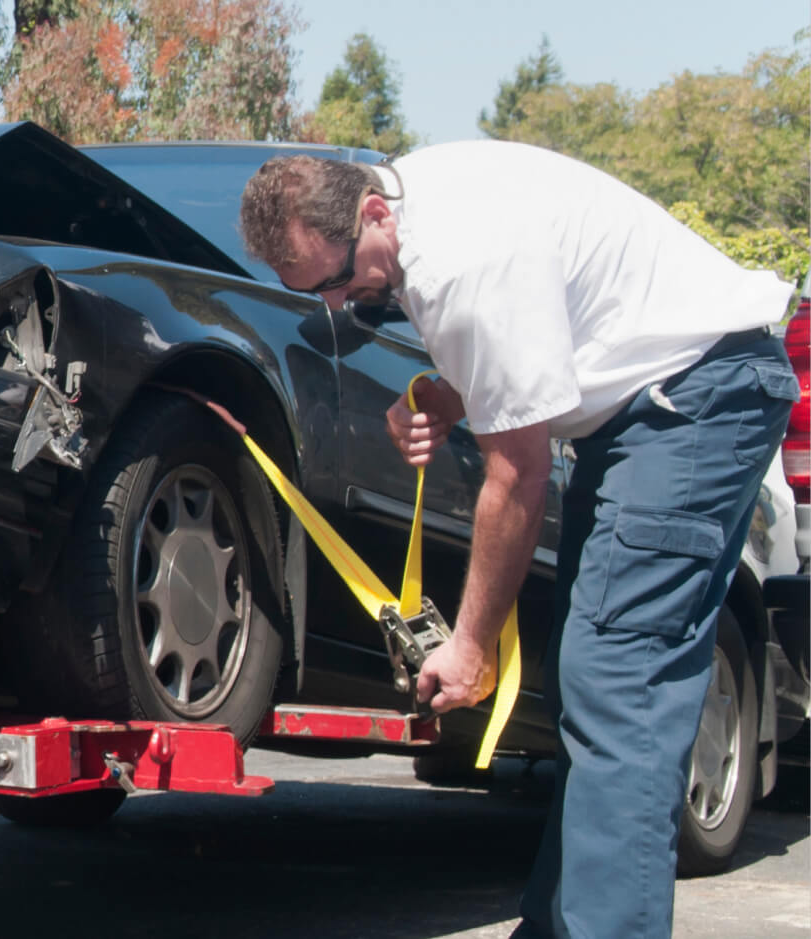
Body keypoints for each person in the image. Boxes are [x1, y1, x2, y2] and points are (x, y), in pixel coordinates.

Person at [237, 140, 798, 938]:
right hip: (647, 412)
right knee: (594, 683)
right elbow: (532, 350)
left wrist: (469, 646)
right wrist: (447, 395)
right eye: (311, 293)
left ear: (371, 212)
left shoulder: (460, 262)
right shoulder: (417, 205)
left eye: (333, 279)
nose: (335, 304)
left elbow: (518, 477)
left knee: (617, 681)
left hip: (694, 403)